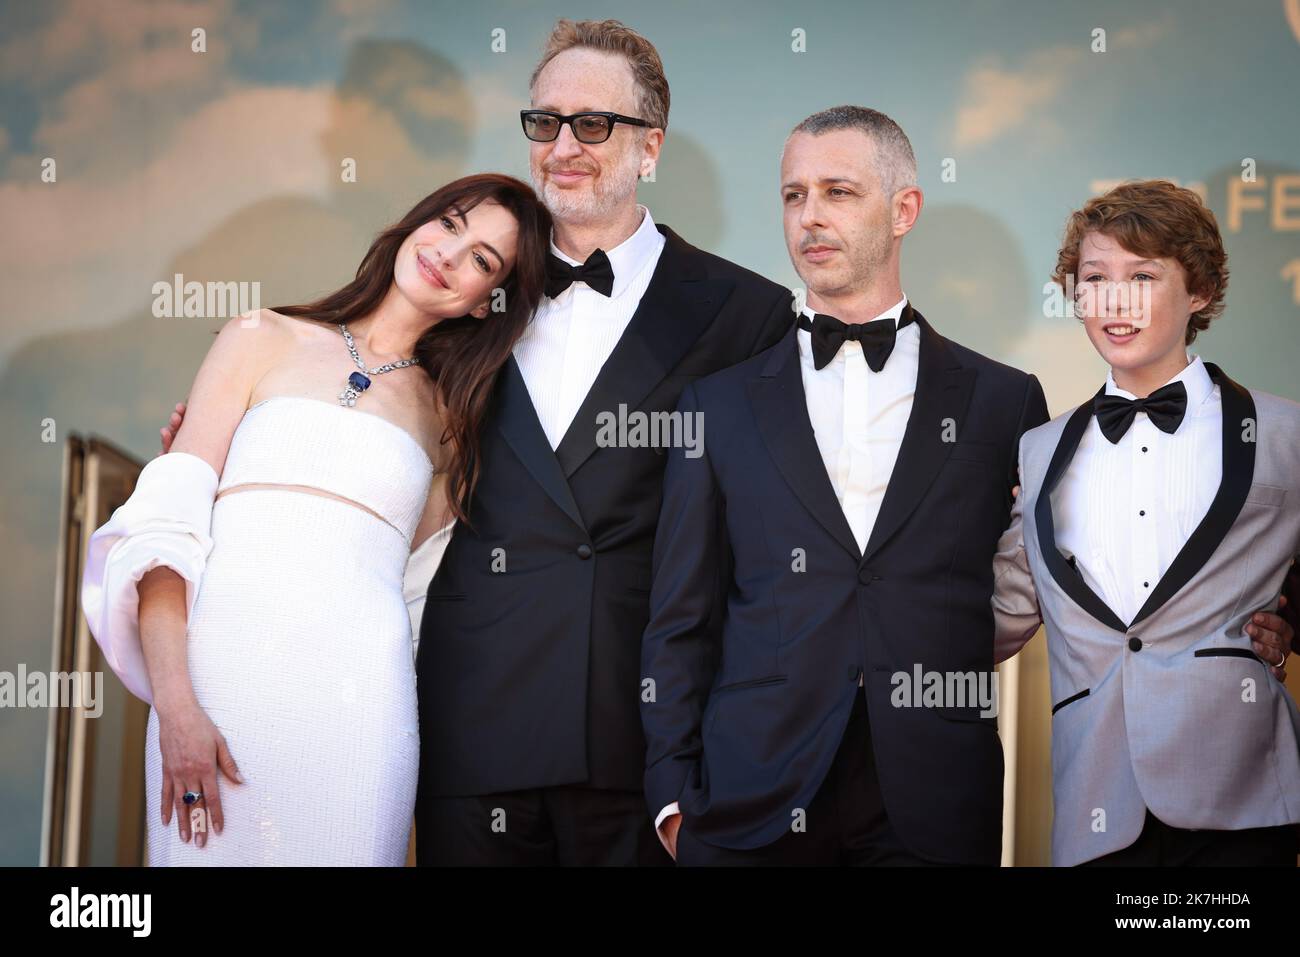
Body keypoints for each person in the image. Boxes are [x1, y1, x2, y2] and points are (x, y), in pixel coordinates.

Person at [638, 110, 1294, 866]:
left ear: (905, 209)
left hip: (935, 806)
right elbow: (677, 618)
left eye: (839, 191)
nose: (810, 216)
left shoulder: (1004, 402)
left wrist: (1279, 619)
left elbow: (1029, 588)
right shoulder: (716, 406)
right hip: (748, 805)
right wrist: (671, 802)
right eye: (793, 195)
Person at [410, 19, 797, 866]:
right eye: (545, 122)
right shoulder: (467, 288)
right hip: (474, 721)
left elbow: (770, 539)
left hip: (641, 738)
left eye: (594, 124)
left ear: (649, 147)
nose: (563, 147)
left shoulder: (749, 314)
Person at [83, 174, 551, 865]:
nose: (450, 255)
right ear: (417, 220)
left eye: (483, 260)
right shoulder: (258, 336)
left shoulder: (455, 427)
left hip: (360, 716)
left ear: (490, 303)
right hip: (218, 689)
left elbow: (423, 594)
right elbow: (163, 536)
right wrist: (176, 708)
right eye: (450, 224)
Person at [992, 179, 1300, 866]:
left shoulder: (1285, 434)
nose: (1115, 300)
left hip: (1243, 802)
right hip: (1095, 805)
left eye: (1142, 275)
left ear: (1199, 292)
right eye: (1095, 278)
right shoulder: (1039, 451)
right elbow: (1002, 609)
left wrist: (1292, 625)